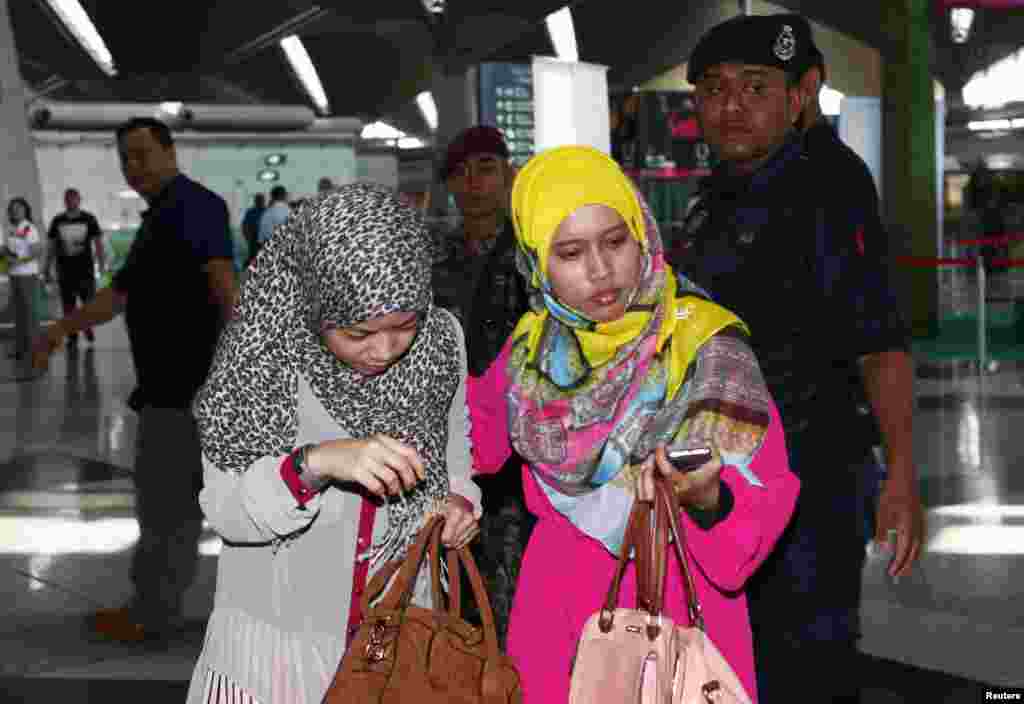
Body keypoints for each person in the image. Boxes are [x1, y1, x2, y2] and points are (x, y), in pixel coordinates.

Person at [468, 145, 800, 702]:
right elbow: (471, 441)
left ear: (642, 234)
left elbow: (762, 505)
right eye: (570, 252)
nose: (601, 270)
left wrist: (707, 498)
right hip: (560, 620)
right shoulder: (531, 351)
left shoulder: (707, 349)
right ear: (534, 262)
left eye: (615, 241)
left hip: (677, 610)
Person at [671, 15, 925, 703]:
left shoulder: (830, 188)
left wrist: (901, 476)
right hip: (730, 482)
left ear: (801, 93)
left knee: (807, 667)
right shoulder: (713, 196)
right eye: (713, 89)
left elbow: (880, 342)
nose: (730, 106)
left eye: (755, 87)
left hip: (812, 484)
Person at [186, 183, 481, 704]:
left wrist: (459, 502)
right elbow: (226, 510)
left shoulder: (441, 341)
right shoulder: (263, 354)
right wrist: (315, 464)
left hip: (399, 647)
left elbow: (455, 454)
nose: (384, 349)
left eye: (404, 324)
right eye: (358, 332)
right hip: (274, 651)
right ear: (315, 304)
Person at [33, 117, 239, 643]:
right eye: (126, 157)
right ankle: (155, 608)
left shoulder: (195, 207)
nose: (134, 166)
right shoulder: (159, 219)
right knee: (165, 505)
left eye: (143, 153)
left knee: (166, 507)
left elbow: (222, 285)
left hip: (189, 387)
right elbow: (118, 295)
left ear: (170, 152)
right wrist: (60, 328)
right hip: (166, 387)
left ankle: (152, 615)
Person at [790, 15, 891, 547]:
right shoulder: (731, 185)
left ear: (809, 88)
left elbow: (875, 329)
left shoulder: (836, 175)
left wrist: (898, 467)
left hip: (826, 444)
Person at [431, 125, 532, 648]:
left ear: (509, 174)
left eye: (487, 169)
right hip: (444, 451)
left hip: (518, 462)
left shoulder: (533, 257)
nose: (474, 184)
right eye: (462, 173)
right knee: (449, 606)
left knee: (512, 608)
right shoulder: (431, 260)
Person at [45, 188, 106, 348]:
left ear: (80, 200)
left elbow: (98, 243)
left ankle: (86, 326)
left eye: (74, 198)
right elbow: (51, 246)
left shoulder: (89, 219)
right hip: (65, 270)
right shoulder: (57, 221)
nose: (71, 201)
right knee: (68, 306)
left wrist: (101, 264)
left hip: (85, 270)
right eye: (68, 199)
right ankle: (72, 336)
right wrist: (47, 267)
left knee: (88, 304)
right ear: (64, 201)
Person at [3, 197, 44, 364]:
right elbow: (8, 252)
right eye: (12, 208)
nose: (15, 210)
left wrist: (18, 261)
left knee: (29, 315)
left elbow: (36, 251)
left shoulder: (29, 228)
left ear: (26, 210)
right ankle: (21, 348)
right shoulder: (13, 230)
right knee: (19, 315)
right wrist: (5, 261)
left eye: (19, 208)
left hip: (27, 275)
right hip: (14, 275)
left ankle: (34, 350)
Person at [240, 193, 266, 266]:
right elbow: (244, 226)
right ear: (255, 201)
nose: (260, 202)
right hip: (253, 238)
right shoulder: (250, 212)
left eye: (261, 200)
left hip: (262, 239)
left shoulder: (267, 211)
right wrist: (247, 237)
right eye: (258, 200)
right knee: (253, 256)